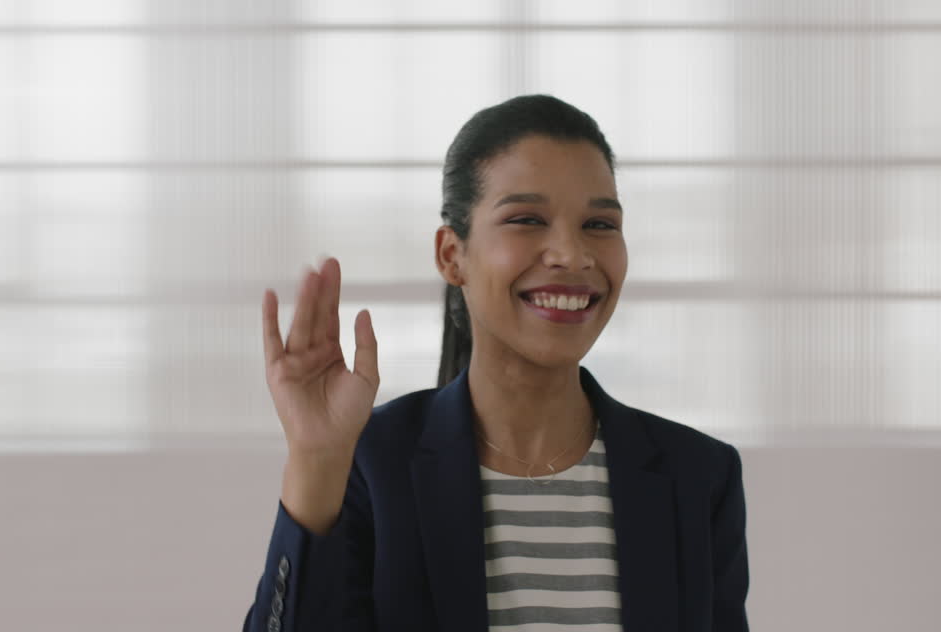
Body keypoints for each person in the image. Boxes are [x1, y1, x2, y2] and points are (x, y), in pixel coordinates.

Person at [243, 94, 749, 632]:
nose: (572, 255)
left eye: (599, 225)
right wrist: (316, 460)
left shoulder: (698, 477)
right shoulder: (369, 463)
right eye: (527, 219)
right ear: (450, 254)